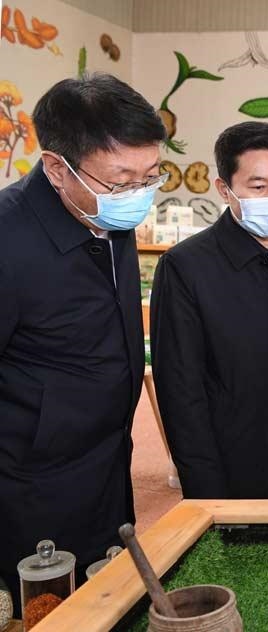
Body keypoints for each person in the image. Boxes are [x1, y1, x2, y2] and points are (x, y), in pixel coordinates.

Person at [0, 74, 165, 610]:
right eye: (121, 181)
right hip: (31, 484)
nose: (137, 194)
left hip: (110, 463)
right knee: (47, 608)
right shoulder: (8, 239)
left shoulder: (103, 211)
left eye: (151, 176)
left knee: (111, 597)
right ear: (56, 168)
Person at [150, 121, 268, 499]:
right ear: (225, 189)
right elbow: (180, 389)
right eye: (258, 186)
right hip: (236, 467)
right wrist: (203, 486)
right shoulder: (185, 267)